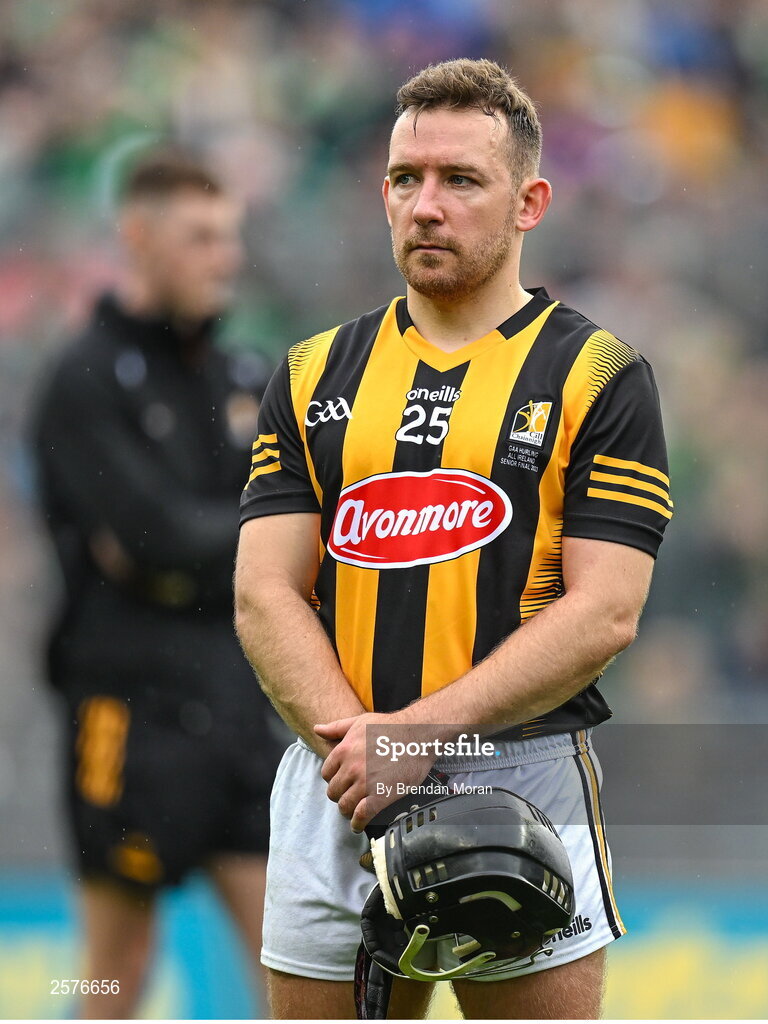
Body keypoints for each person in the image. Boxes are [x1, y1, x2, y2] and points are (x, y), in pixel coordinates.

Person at [235, 58, 673, 1021]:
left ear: (530, 203)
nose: (425, 205)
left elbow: (607, 610)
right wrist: (365, 755)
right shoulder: (313, 371)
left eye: (460, 180)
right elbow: (264, 593)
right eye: (405, 179)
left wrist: (421, 735)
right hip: (337, 773)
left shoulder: (598, 373)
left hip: (518, 772)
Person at [31, 150, 290, 1018]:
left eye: (229, 237)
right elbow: (158, 539)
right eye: (200, 237)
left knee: (292, 954)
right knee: (111, 969)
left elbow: (249, 539)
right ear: (137, 238)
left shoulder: (246, 376)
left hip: (234, 698)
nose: (225, 258)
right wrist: (237, 543)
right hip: (126, 709)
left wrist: (200, 551)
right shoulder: (86, 377)